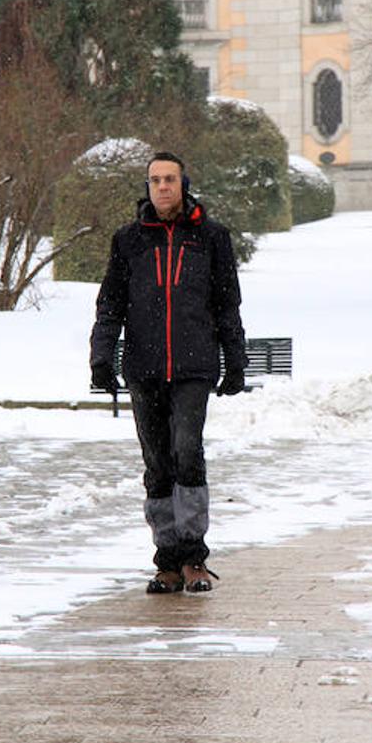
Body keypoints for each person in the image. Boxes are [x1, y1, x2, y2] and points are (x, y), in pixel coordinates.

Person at [90, 151, 247, 594]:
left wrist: (234, 361)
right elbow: (111, 305)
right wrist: (102, 356)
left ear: (184, 183)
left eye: (170, 179)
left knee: (187, 452)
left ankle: (194, 556)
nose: (162, 187)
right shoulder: (129, 240)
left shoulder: (211, 238)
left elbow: (226, 304)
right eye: (155, 180)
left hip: (194, 367)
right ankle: (167, 561)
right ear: (147, 186)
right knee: (157, 464)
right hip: (144, 367)